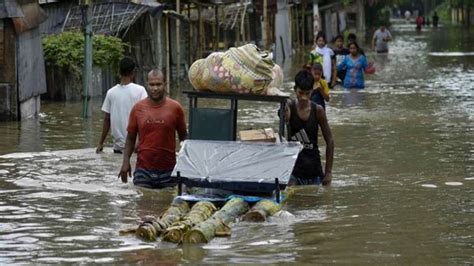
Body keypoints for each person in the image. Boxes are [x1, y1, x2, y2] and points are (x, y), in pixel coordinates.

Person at [118, 69, 187, 188]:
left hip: (169, 170)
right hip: (143, 170)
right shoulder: (138, 108)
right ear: (147, 85)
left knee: (166, 204)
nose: (155, 88)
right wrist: (125, 162)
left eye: (158, 84)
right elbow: (130, 138)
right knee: (143, 203)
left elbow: (184, 138)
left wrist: (186, 165)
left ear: (165, 84)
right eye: (152, 84)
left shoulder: (175, 108)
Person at [285, 70, 334, 186]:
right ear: (295, 90)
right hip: (294, 172)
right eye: (300, 93)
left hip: (314, 171)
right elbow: (283, 116)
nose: (304, 98)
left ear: (312, 91)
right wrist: (285, 113)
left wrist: (328, 172)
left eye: (307, 93)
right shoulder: (289, 107)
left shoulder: (318, 111)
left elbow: (330, 141)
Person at [96, 57, 148, 154]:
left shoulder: (111, 93)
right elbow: (145, 119)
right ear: (133, 72)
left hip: (118, 148)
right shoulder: (140, 91)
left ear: (119, 72)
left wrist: (100, 143)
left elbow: (107, 120)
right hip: (136, 148)